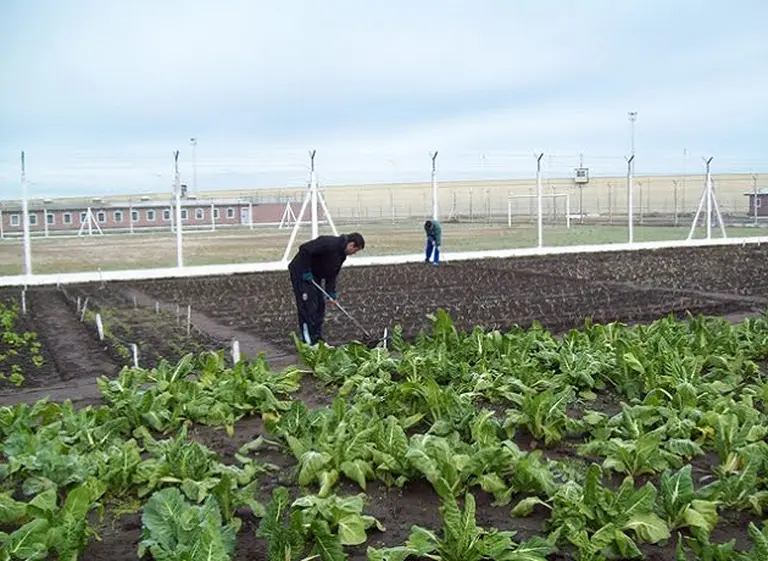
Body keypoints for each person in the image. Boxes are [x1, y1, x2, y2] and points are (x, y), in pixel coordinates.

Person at [287, 232, 365, 345]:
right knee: (308, 306)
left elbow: (332, 273)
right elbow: (305, 249)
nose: (354, 253)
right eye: (356, 250)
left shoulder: (341, 255)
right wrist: (305, 270)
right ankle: (308, 341)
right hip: (301, 273)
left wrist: (331, 292)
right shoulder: (329, 243)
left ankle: (317, 336)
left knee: (320, 306)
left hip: (314, 275)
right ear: (351, 245)